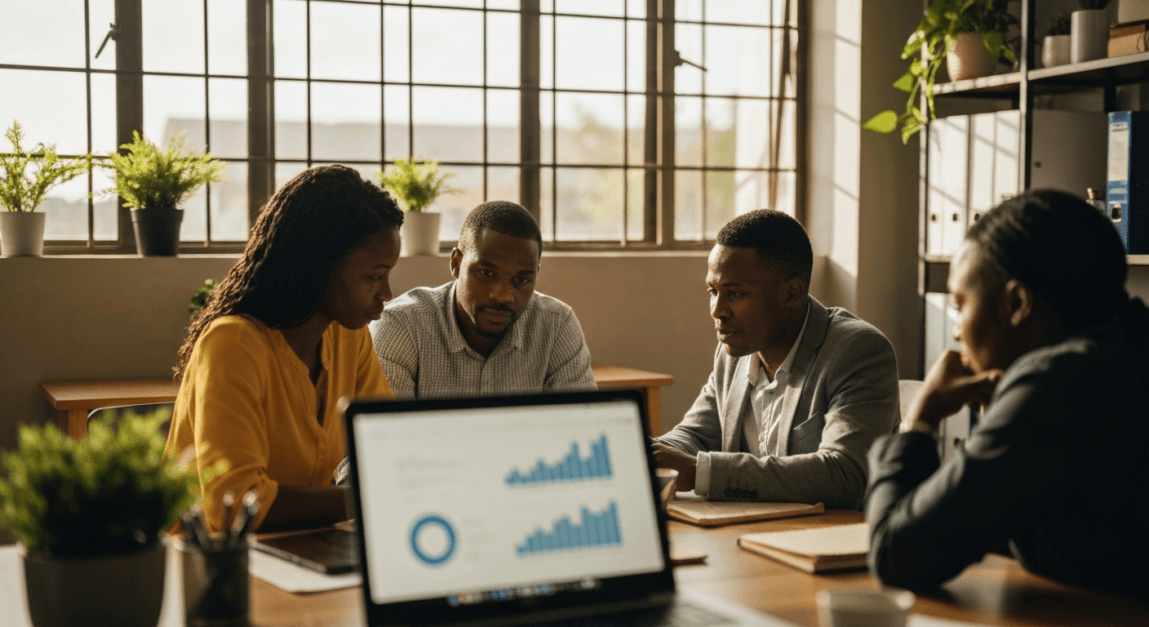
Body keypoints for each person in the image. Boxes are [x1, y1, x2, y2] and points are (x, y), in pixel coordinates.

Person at [866, 190, 1149, 600]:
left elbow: (896, 555)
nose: (957, 331)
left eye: (961, 304)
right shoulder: (1126, 345)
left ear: (1017, 303)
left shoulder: (1055, 384)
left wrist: (920, 419)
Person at [165, 165, 403, 533]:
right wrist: (364, 496)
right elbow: (233, 504)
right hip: (212, 563)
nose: (386, 293)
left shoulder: (348, 336)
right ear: (318, 266)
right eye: (374, 276)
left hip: (304, 549)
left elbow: (387, 441)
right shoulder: (232, 344)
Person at [652, 209, 900, 509]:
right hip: (751, 534)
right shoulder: (734, 352)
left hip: (829, 542)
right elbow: (696, 436)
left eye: (735, 294)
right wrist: (650, 455)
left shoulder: (857, 351)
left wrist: (702, 471)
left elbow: (846, 473)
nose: (717, 311)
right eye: (713, 291)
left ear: (792, 293)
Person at [369, 200, 596, 398]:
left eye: (521, 280)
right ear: (456, 264)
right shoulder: (402, 326)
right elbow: (386, 440)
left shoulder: (557, 325)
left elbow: (584, 431)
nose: (502, 296)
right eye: (486, 273)